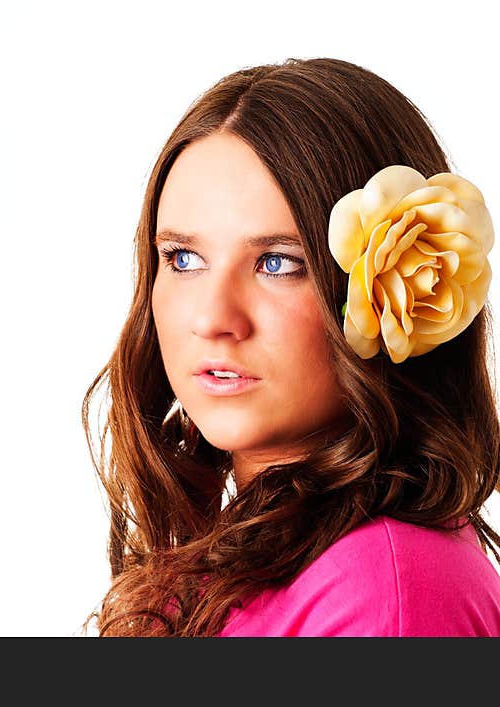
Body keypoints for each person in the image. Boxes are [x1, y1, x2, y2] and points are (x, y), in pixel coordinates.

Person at [80, 57, 500, 637]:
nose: (213, 318)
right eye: (183, 259)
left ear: (396, 292)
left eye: (278, 263)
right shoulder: (233, 560)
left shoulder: (384, 590)